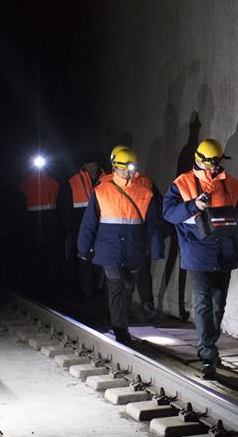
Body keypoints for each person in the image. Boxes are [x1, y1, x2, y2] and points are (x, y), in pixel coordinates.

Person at [162, 138, 238, 379]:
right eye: (209, 163)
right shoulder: (182, 184)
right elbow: (169, 213)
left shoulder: (232, 184)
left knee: (218, 303)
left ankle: (209, 345)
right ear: (198, 161)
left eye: (216, 163)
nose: (213, 168)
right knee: (202, 301)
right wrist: (193, 205)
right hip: (197, 252)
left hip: (225, 251)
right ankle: (208, 352)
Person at [77, 147, 164, 343]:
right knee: (116, 285)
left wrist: (156, 248)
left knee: (127, 288)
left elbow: (154, 224)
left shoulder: (145, 192)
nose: (128, 173)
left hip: (133, 250)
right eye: (123, 169)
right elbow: (89, 223)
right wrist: (83, 249)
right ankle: (120, 329)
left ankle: (121, 323)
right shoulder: (101, 191)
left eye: (130, 169)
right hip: (109, 249)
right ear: (114, 168)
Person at [103, 145, 159, 322]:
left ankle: (122, 312)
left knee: (119, 279)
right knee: (135, 275)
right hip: (136, 238)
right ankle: (137, 308)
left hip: (123, 239)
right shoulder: (147, 182)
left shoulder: (104, 183)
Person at [17, 155, 61, 300]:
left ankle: (50, 287)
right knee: (36, 254)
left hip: (49, 222)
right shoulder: (27, 182)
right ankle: (37, 286)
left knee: (49, 255)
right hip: (34, 223)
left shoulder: (53, 182)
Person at [59, 161, 102, 299]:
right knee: (82, 259)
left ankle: (93, 290)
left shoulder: (106, 180)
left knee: (97, 259)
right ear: (84, 165)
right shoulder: (73, 181)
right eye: (90, 164)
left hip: (101, 226)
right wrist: (69, 227)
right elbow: (66, 205)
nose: (93, 167)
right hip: (78, 226)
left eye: (95, 163)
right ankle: (85, 292)